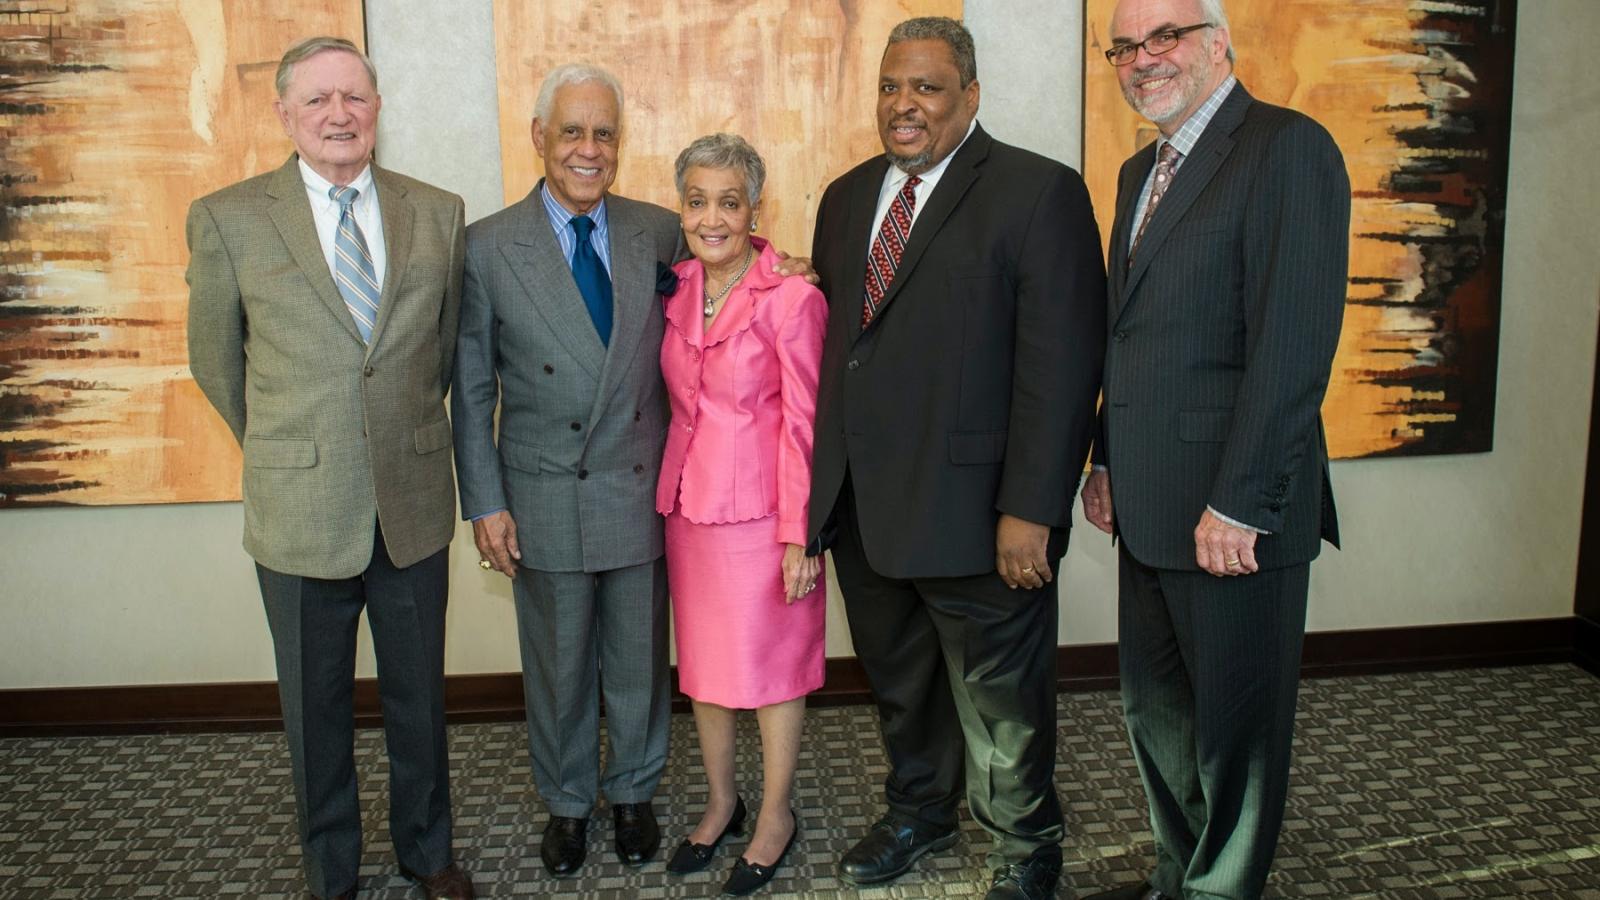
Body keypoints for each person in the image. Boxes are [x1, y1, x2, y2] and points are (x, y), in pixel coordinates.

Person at [449, 66, 816, 880]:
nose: (588, 149)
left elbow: (738, 267)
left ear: (621, 145)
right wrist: (484, 500)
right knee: (558, 662)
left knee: (640, 656)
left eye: (604, 134)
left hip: (645, 488)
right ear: (538, 135)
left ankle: (635, 792)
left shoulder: (657, 229)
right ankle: (568, 803)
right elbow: (472, 389)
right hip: (541, 490)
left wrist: (792, 268)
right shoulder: (485, 246)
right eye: (572, 131)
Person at [806, 17, 1107, 900]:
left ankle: (1025, 849)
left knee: (1001, 708)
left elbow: (1062, 365)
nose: (905, 105)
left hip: (983, 517)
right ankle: (920, 810)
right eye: (892, 87)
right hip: (867, 508)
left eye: (927, 87)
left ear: (970, 96)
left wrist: (1034, 509)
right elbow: (846, 346)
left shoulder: (1036, 192)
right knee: (902, 688)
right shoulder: (845, 196)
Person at [185, 36, 473, 900]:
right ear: (284, 115)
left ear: (378, 108)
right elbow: (215, 364)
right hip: (298, 507)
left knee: (419, 702)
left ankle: (429, 852)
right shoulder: (229, 217)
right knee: (315, 711)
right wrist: (287, 445)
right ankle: (330, 869)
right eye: (317, 101)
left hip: (413, 501)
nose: (339, 115)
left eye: (353, 97)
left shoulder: (438, 210)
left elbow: (445, 350)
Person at [1077, 0, 1349, 897]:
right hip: (1149, 505)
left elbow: (1295, 344)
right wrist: (1106, 458)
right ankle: (1177, 875)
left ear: (1218, 41)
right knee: (1156, 717)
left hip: (1233, 512)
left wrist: (1241, 501)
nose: (1142, 58)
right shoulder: (1133, 172)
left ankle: (1222, 888)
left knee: (1237, 732)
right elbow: (1130, 339)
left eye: (1164, 36)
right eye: (1125, 45)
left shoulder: (1287, 148)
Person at [655, 133, 828, 897]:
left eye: (729, 201)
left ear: (756, 206)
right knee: (707, 674)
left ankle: (777, 815)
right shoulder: (677, 285)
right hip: (689, 511)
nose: (712, 217)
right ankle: (724, 802)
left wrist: (802, 534)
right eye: (697, 201)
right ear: (681, 208)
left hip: (765, 520)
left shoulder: (792, 295)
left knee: (774, 673)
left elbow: (806, 423)